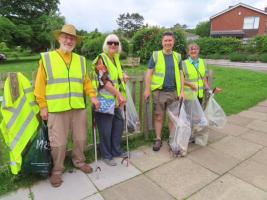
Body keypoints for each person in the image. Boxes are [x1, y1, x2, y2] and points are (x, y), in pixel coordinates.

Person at [34, 24, 100, 187]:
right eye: (66, 37)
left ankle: (79, 161)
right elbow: (40, 85)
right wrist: (43, 106)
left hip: (78, 107)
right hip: (56, 109)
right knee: (58, 142)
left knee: (81, 138)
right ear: (59, 39)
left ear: (75, 42)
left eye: (72, 38)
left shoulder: (81, 60)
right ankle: (57, 170)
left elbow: (86, 82)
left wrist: (92, 96)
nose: (69, 41)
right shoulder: (47, 58)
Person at [92, 34, 129, 166]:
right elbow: (104, 81)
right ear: (105, 44)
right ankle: (106, 155)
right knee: (105, 129)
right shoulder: (101, 59)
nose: (113, 45)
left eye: (116, 43)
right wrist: (119, 94)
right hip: (104, 100)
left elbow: (117, 74)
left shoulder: (116, 58)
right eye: (110, 43)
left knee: (118, 125)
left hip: (116, 101)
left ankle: (116, 151)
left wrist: (123, 75)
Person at [144, 31, 184, 151]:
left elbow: (181, 74)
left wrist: (182, 91)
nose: (168, 43)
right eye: (165, 40)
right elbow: (149, 73)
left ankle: (172, 139)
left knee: (172, 117)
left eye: (170, 40)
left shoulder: (178, 56)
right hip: (159, 92)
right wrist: (147, 89)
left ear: (173, 42)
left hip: (173, 92)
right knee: (159, 117)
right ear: (162, 42)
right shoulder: (156, 55)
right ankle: (158, 139)